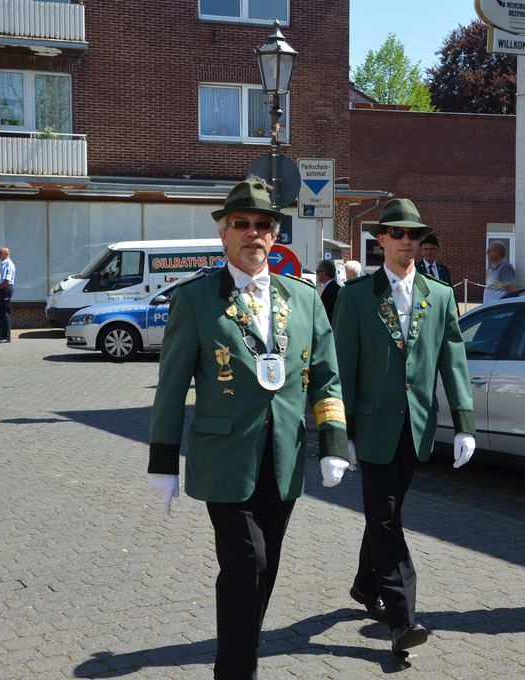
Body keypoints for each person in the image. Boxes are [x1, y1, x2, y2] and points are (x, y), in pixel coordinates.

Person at [147, 178, 350, 680]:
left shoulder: (303, 298)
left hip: (283, 455)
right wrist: (162, 461)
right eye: (241, 223)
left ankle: (241, 653)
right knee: (247, 562)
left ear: (274, 235)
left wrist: (332, 442)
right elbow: (171, 387)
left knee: (265, 566)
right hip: (223, 457)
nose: (252, 233)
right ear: (224, 233)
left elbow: (326, 376)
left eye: (263, 224)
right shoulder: (196, 299)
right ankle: (236, 671)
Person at [332, 197, 476, 655]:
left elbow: (453, 360)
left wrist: (465, 422)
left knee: (385, 514)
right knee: (387, 518)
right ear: (381, 239)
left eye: (415, 235)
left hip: (416, 426)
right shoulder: (357, 296)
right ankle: (403, 620)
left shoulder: (441, 295)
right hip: (371, 427)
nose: (407, 241)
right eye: (397, 233)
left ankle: (364, 582)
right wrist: (340, 433)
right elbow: (341, 368)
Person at [0, 247, 16, 343]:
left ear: (6, 254)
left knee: (5, 313)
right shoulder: (3, 263)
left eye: (0, 253)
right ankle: (0, 335)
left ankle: (6, 336)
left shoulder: (8, 264)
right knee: (0, 313)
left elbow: (6, 281)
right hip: (3, 288)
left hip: (5, 289)